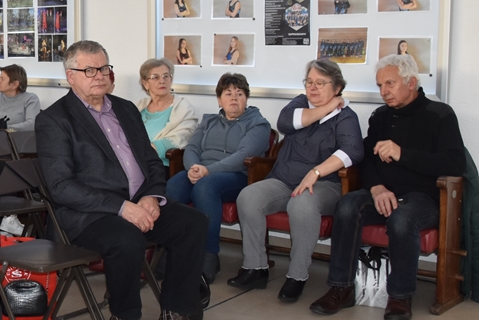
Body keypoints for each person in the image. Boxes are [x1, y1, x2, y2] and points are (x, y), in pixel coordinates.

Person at [35, 40, 211, 320]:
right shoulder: (54, 119)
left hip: (139, 202)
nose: (99, 75)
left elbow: (151, 162)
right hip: (87, 215)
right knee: (126, 238)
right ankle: (124, 319)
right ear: (70, 76)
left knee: (192, 222)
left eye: (104, 68)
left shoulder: (126, 109)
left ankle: (175, 315)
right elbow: (60, 186)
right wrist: (122, 208)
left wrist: (152, 197)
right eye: (89, 70)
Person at [309, 55, 465, 320]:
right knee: (347, 206)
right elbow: (367, 159)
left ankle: (400, 296)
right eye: (380, 85)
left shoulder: (440, 115)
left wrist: (402, 153)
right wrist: (377, 188)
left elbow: (455, 163)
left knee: (402, 219)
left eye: (390, 84)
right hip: (384, 192)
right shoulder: (380, 116)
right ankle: (341, 288)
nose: (384, 91)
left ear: (411, 82)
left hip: (424, 197)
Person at [229, 59, 363, 303]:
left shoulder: (345, 117)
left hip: (326, 185)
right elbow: (285, 123)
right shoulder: (300, 103)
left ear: (337, 87)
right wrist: (328, 106)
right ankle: (256, 267)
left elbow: (352, 151)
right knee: (248, 197)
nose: (313, 87)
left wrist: (316, 172)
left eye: (321, 83)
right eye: (309, 81)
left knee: (301, 204)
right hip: (284, 180)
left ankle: (297, 276)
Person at [166, 73, 270, 282]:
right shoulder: (209, 121)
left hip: (237, 176)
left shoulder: (258, 124)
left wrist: (208, 170)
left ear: (246, 98)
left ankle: (209, 256)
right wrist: (193, 168)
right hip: (201, 171)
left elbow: (243, 156)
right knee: (173, 187)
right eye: (228, 93)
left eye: (239, 93)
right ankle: (171, 251)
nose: (234, 98)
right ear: (219, 100)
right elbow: (192, 147)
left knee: (205, 187)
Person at [135, 58, 197, 178]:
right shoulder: (138, 106)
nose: (162, 81)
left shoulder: (182, 107)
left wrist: (148, 150)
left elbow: (182, 137)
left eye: (166, 76)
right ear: (145, 83)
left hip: (161, 166)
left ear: (171, 79)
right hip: (133, 163)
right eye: (155, 77)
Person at [0, 64, 41, 131]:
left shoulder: (30, 99)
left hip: (14, 137)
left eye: (2, 79)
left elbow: (32, 125)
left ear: (15, 84)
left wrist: (2, 128)